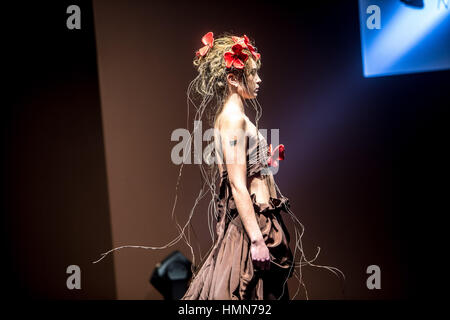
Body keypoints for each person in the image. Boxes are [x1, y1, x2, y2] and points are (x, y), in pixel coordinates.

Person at [93, 31, 344, 300]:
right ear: (233, 79)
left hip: (259, 221)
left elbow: (238, 177)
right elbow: (236, 183)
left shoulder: (236, 119)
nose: (258, 80)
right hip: (253, 227)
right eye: (252, 74)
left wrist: (263, 164)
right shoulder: (233, 120)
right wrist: (257, 239)